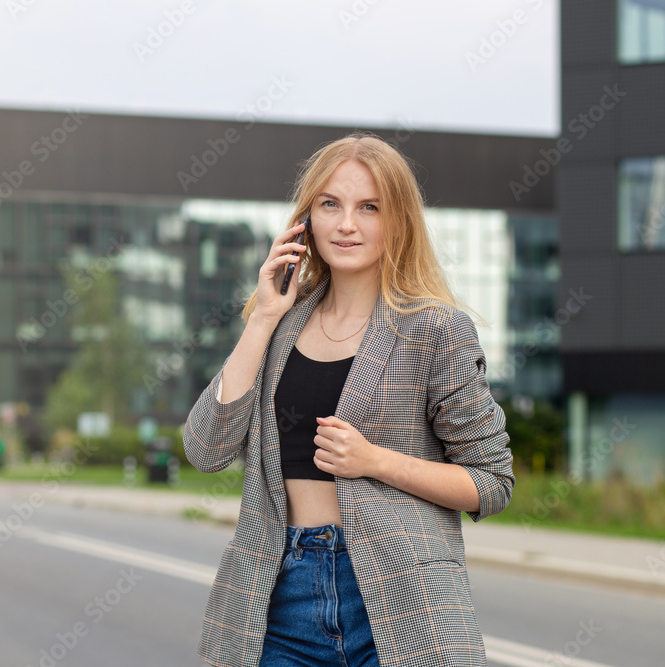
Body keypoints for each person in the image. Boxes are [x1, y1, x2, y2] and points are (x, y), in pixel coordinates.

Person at [183, 131, 515, 667]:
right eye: (329, 204)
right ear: (305, 219)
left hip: (397, 598)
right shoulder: (279, 325)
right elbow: (205, 448)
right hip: (277, 596)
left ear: (398, 220)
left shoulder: (436, 330)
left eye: (369, 208)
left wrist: (375, 462)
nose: (346, 224)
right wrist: (263, 315)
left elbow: (491, 483)